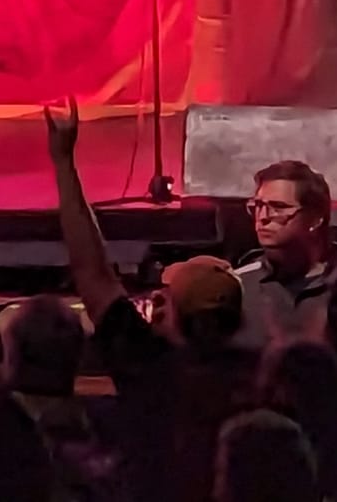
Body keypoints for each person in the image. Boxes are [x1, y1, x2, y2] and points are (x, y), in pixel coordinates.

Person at [47, 96, 258, 502]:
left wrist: (63, 162)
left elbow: (92, 271)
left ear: (166, 312)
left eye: (164, 296)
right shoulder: (254, 375)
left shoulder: (148, 364)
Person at [234, 159, 337, 345]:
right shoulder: (238, 286)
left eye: (279, 208)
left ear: (315, 218)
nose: (263, 217)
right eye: (258, 206)